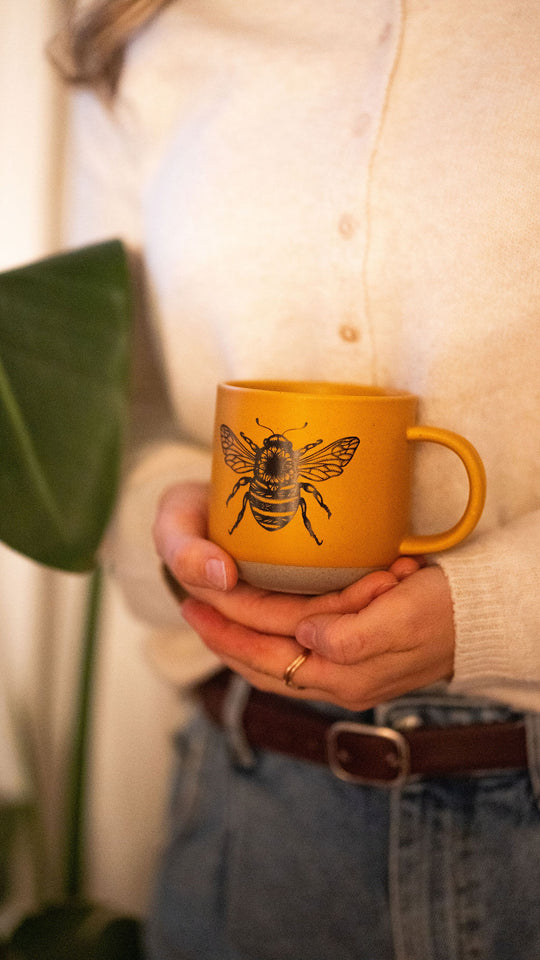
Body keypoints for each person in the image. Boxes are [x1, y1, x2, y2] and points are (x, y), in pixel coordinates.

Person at [55, 1, 540, 957]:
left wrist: (484, 605)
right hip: (254, 816)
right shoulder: (139, 30)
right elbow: (116, 409)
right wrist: (171, 520)